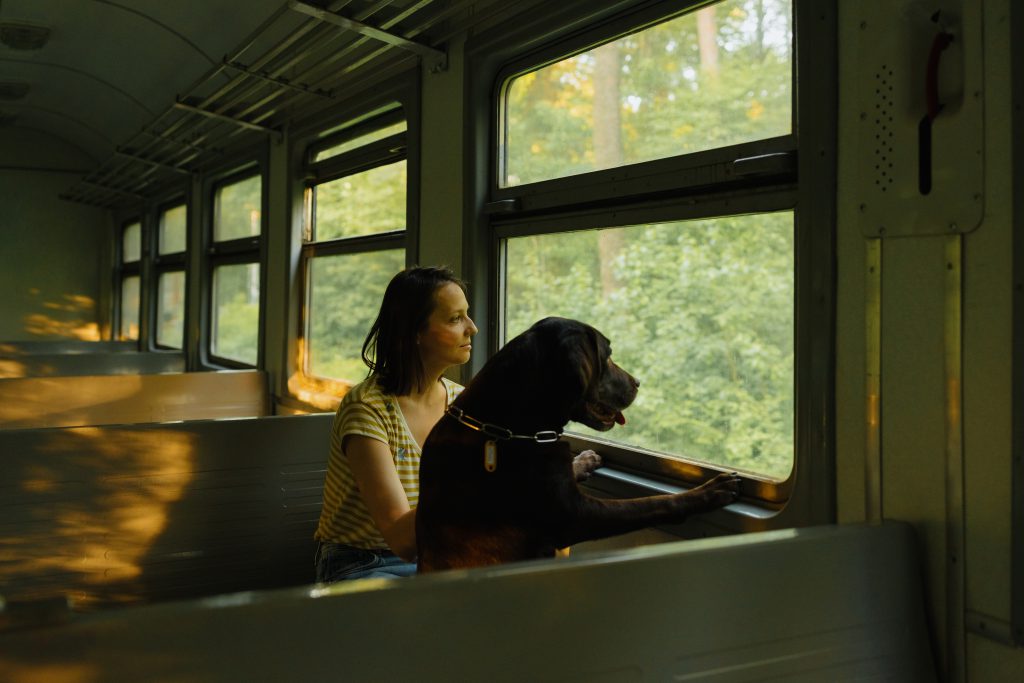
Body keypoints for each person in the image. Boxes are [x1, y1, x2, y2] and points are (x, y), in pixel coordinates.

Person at [314, 265, 478, 582]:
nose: (472, 328)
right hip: (365, 562)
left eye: (466, 315)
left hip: (442, 555)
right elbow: (402, 539)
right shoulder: (367, 408)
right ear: (415, 332)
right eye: (455, 319)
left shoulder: (465, 405)